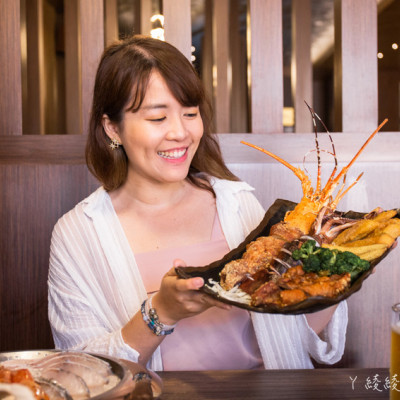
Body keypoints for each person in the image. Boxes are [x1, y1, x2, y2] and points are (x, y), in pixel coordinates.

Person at [48, 35, 347, 371]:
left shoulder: (237, 203)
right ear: (112, 129)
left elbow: (291, 334)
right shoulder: (78, 233)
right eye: (157, 118)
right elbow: (82, 372)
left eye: (190, 113)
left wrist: (335, 269)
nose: (181, 132)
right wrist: (161, 311)